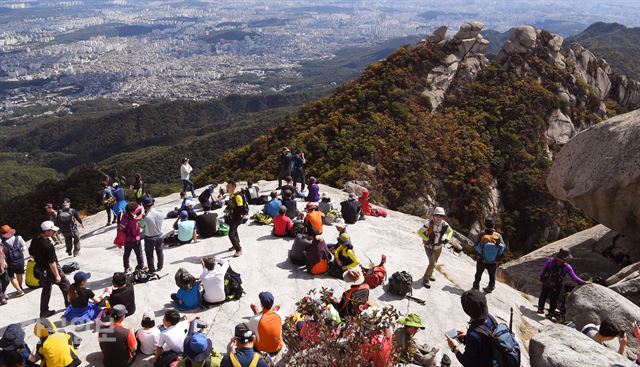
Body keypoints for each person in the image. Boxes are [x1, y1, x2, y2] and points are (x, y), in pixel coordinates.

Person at [29, 221, 70, 318]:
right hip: (50, 270)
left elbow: (31, 253)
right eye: (52, 231)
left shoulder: (35, 240)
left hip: (40, 270)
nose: (54, 232)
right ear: (46, 231)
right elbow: (52, 262)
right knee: (65, 285)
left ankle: (44, 312)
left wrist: (39, 259)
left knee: (46, 289)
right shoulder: (48, 245)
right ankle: (69, 306)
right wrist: (57, 275)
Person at [445, 290, 495, 366]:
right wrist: (467, 338)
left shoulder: (473, 335)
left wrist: (454, 348)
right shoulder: (490, 318)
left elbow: (467, 363)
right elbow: (485, 340)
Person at [537, 248, 590, 315]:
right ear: (566, 257)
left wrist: (541, 277)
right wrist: (584, 282)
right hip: (556, 285)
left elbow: (544, 270)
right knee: (554, 299)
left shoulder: (550, 261)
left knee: (543, 295)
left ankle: (540, 309)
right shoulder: (567, 267)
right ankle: (550, 314)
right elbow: (574, 278)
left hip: (546, 282)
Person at [417, 207, 454, 288]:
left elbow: (451, 231)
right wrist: (427, 239)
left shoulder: (444, 224)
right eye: (437, 215)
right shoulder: (429, 224)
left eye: (441, 216)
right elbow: (419, 232)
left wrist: (447, 238)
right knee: (432, 263)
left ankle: (430, 274)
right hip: (429, 246)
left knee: (434, 262)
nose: (439, 217)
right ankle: (426, 278)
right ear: (433, 216)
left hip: (439, 247)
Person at [472, 218, 505, 293]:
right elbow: (502, 247)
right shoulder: (498, 235)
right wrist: (497, 257)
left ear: (485, 225)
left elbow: (476, 245)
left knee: (478, 274)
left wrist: (478, 255)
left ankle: (476, 287)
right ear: (494, 226)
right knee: (492, 275)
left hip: (481, 259)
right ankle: (491, 287)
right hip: (493, 261)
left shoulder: (481, 234)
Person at [140, 196, 164, 273]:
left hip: (150, 238)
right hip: (159, 236)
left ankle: (151, 269)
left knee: (149, 254)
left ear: (144, 205)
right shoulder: (160, 212)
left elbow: (141, 225)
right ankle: (160, 266)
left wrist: (142, 217)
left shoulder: (146, 216)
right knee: (159, 252)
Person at [1, 225, 26, 297]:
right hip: (20, 260)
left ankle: (19, 290)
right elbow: (24, 248)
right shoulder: (18, 237)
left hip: (9, 262)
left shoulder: (2, 243)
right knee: (19, 274)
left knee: (12, 277)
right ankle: (20, 286)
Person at [121, 203, 145, 272]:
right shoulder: (133, 222)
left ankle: (126, 267)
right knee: (139, 253)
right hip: (135, 240)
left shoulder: (125, 216)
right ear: (132, 211)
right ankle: (140, 266)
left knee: (126, 254)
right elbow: (135, 232)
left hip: (126, 240)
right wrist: (141, 230)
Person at [225, 182, 245, 258]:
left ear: (233, 187)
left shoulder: (237, 196)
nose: (227, 188)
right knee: (234, 230)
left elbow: (241, 208)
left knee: (231, 234)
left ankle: (238, 249)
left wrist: (232, 211)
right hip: (233, 216)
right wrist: (227, 209)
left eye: (228, 187)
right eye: (227, 187)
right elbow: (231, 205)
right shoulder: (231, 195)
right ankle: (236, 243)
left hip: (238, 217)